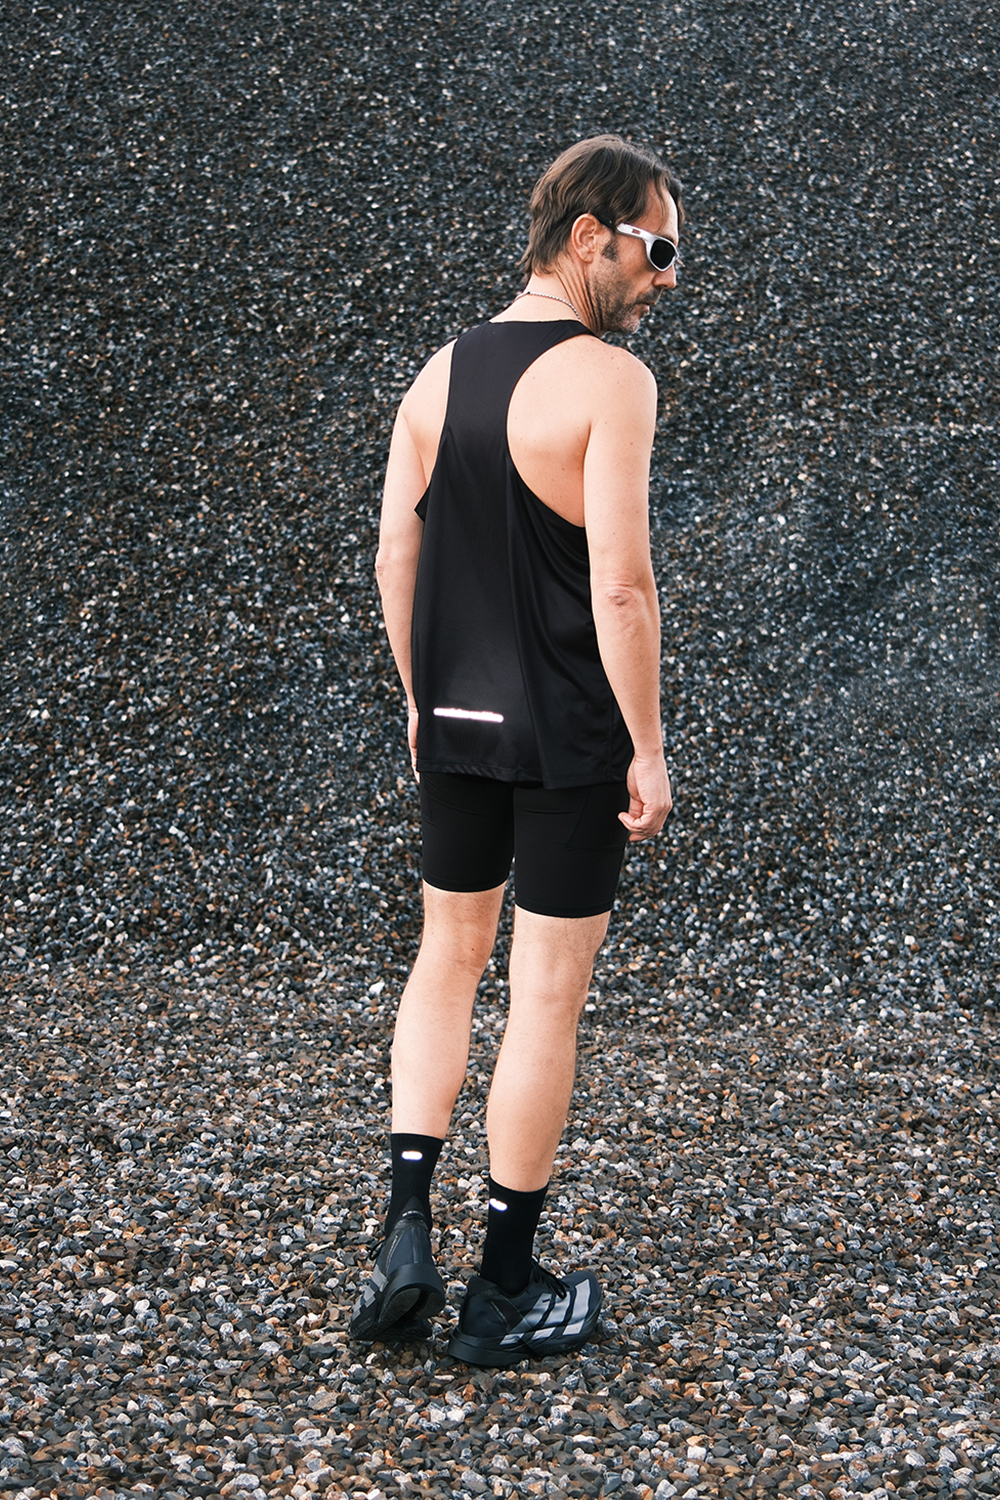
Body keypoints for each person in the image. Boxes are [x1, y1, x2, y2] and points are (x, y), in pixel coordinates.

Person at [351, 134, 681, 1366]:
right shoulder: (607, 381)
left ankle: (403, 1235)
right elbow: (621, 588)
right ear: (589, 236)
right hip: (567, 735)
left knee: (444, 961)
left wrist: (420, 698)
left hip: (456, 723)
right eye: (657, 249)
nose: (666, 278)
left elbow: (395, 554)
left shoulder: (437, 372)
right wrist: (647, 746)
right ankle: (500, 1285)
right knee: (542, 993)